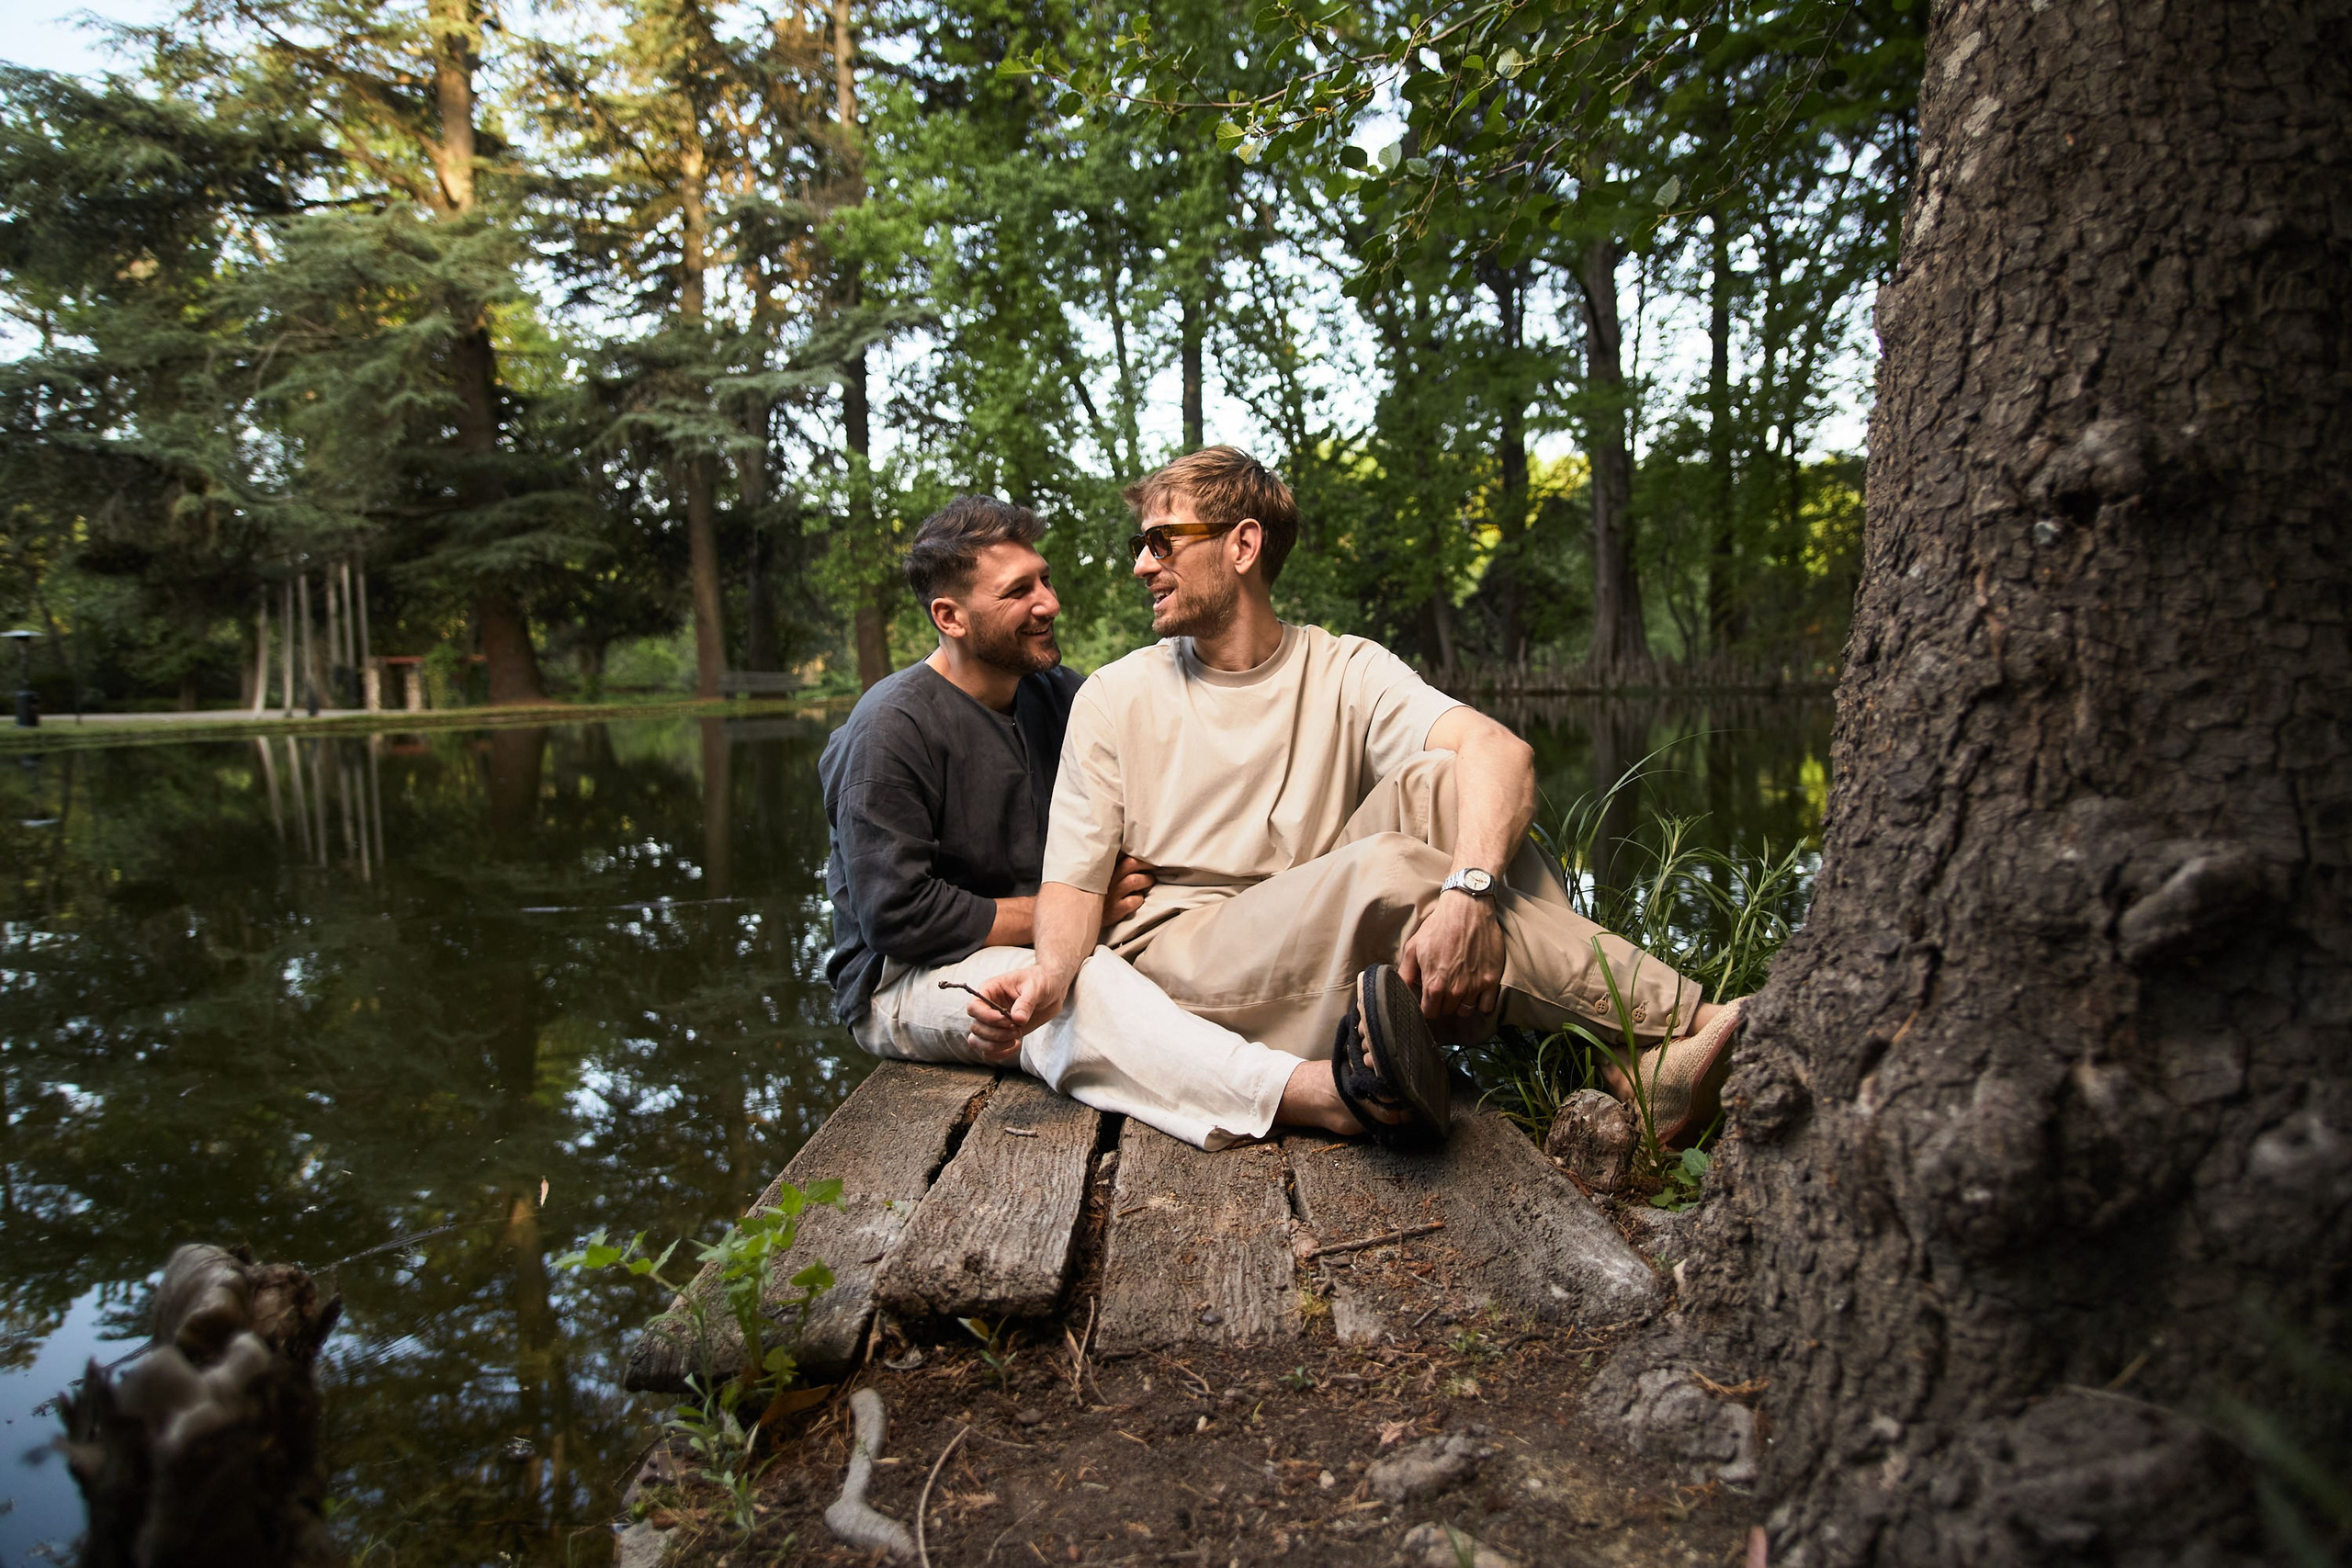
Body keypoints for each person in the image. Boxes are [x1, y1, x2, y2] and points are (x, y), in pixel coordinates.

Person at [967, 446, 1745, 1147]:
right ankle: (1696, 1023)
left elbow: (1500, 753)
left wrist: (1468, 894)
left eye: (1162, 540)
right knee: (1390, 869)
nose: (1141, 563)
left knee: (1445, 782)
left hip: (1321, 923)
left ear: (1243, 545)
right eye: (1139, 543)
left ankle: (1620, 1054)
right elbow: (1073, 884)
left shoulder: (1344, 667)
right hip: (1184, 956)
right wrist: (1048, 976)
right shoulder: (1114, 695)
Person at [820, 495, 1387, 1149]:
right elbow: (898, 916)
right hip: (909, 976)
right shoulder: (888, 728)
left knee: (1167, 939)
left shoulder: (1061, 696)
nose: (1049, 603)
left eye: (1046, 579)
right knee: (1080, 992)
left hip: (1062, 941)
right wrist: (1065, 914)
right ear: (949, 616)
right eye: (1018, 591)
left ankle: (1375, 1025)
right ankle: (1321, 1094)